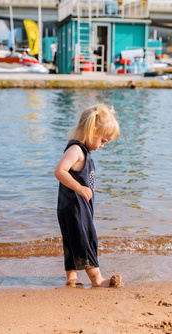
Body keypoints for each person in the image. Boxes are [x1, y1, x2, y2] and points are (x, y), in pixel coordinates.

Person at [54, 104, 122, 288]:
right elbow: (60, 171)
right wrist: (80, 188)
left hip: (72, 207)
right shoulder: (76, 150)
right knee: (86, 239)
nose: (102, 146)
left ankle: (71, 278)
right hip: (74, 207)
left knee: (72, 240)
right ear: (92, 130)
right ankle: (97, 279)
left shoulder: (83, 151)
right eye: (103, 141)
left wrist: (87, 188)